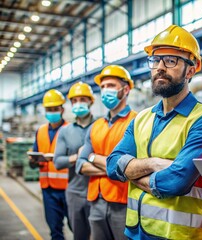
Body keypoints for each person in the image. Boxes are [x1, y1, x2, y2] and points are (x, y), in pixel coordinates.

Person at [106, 24, 202, 240]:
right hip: (135, 232)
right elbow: (112, 164)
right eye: (155, 60)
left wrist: (131, 174)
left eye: (171, 60)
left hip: (179, 235)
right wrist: (152, 164)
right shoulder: (141, 118)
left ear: (191, 69)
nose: (160, 67)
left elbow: (174, 182)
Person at [75, 65, 137, 240]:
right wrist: (115, 169)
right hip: (96, 202)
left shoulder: (138, 122)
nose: (105, 91)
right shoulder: (96, 126)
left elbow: (134, 167)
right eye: (102, 87)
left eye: (110, 85)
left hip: (124, 202)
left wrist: (92, 157)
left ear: (125, 90)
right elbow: (80, 165)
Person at [54, 82, 95, 240]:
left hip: (98, 192)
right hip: (75, 193)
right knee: (79, 235)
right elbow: (58, 162)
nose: (78, 104)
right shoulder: (65, 131)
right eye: (75, 100)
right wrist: (77, 157)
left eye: (83, 99)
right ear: (71, 103)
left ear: (91, 101)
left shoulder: (101, 126)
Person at [29, 89, 70, 240]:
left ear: (62, 109)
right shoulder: (40, 131)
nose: (52, 112)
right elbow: (35, 157)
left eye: (55, 109)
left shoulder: (70, 130)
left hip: (67, 188)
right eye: (49, 109)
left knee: (76, 226)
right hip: (48, 190)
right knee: (54, 229)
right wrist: (33, 161)